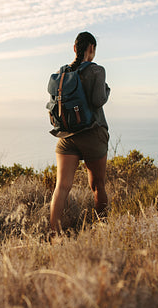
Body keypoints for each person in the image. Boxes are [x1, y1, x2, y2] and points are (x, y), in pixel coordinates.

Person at [49, 31, 111, 235]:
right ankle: (102, 229)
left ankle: (54, 235)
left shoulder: (62, 72)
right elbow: (98, 101)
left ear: (75, 48)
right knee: (97, 186)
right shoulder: (97, 70)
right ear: (91, 49)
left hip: (67, 137)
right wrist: (107, 89)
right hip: (93, 134)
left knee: (62, 187)